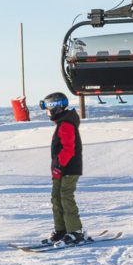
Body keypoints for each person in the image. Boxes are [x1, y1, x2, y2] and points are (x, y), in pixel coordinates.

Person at [41, 91, 87, 245]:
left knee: (66, 197)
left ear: (57, 108)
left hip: (68, 168)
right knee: (56, 198)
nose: (48, 112)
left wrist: (60, 166)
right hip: (60, 169)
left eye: (49, 108)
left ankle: (75, 231)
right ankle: (61, 230)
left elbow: (69, 149)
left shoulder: (66, 124)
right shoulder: (62, 122)